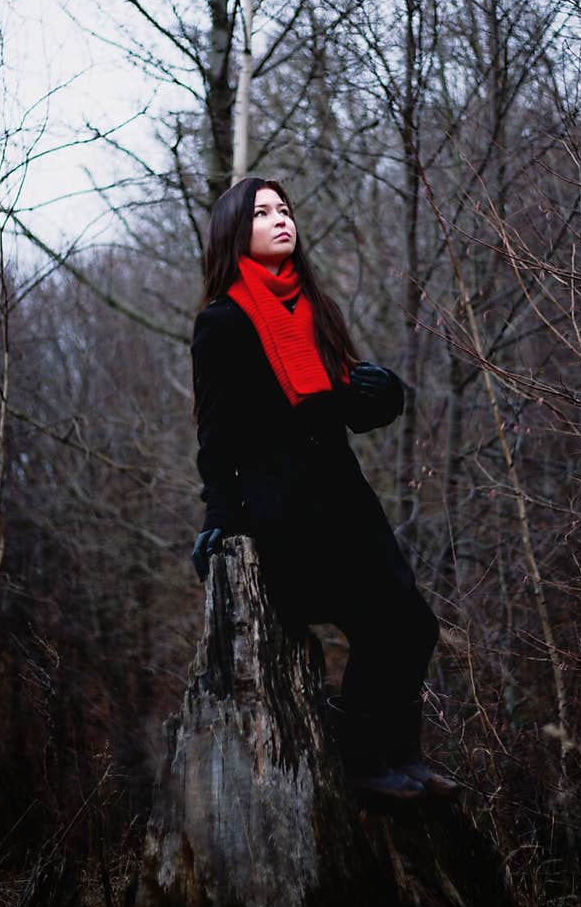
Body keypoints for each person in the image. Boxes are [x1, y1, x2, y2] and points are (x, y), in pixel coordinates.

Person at [190, 176, 457, 802]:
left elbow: (349, 406)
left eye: (285, 208)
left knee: (413, 626)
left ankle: (401, 755)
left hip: (345, 499)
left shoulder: (313, 309)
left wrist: (383, 391)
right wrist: (218, 517)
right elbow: (216, 435)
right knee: (378, 624)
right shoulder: (223, 323)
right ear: (236, 231)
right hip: (282, 514)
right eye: (263, 212)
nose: (281, 219)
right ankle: (363, 767)